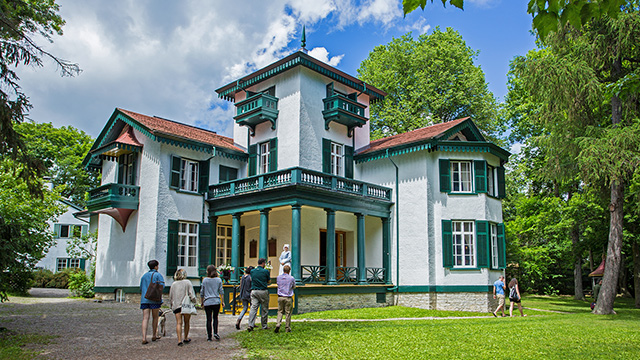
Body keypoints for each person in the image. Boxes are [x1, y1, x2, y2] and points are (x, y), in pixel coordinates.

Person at [169, 268, 197, 346]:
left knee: (179, 323)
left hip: (177, 305)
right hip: (186, 305)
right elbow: (191, 294)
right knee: (187, 322)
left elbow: (171, 296)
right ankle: (186, 337)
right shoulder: (187, 282)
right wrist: (194, 301)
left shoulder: (173, 284)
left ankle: (179, 340)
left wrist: (171, 305)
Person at [140, 259, 165, 344]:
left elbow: (141, 287)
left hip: (144, 299)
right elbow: (162, 286)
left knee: (145, 318)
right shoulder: (158, 275)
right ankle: (154, 335)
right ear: (155, 266)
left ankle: (144, 337)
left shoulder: (144, 276)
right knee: (155, 318)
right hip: (155, 300)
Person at [201, 265, 224, 341]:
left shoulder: (205, 280)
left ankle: (209, 337)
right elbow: (221, 291)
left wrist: (202, 302)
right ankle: (215, 333)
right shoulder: (218, 280)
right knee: (215, 318)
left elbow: (202, 292)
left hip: (207, 301)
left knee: (208, 319)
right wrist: (222, 302)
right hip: (216, 301)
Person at [247, 258, 271, 332]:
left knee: (253, 308)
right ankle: (264, 325)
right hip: (263, 291)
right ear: (263, 263)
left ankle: (250, 325)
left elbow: (251, 279)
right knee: (264, 308)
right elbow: (269, 281)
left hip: (254, 291)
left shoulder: (252, 271)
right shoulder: (265, 271)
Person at [275, 264, 296, 333]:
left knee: (280, 311)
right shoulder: (291, 278)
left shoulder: (278, 277)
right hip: (288, 297)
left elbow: (278, 285)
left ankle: (278, 324)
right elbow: (294, 286)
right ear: (289, 271)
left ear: (283, 270)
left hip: (280, 297)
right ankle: (287, 328)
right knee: (288, 313)